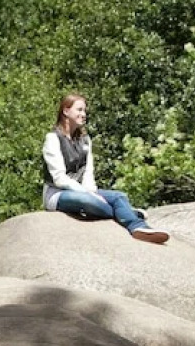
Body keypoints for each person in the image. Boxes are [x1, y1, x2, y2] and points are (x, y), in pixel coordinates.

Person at [41, 94, 169, 244]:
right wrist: (89, 194)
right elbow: (59, 178)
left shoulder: (85, 140)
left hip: (84, 190)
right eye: (79, 110)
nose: (84, 114)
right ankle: (126, 213)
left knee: (119, 196)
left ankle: (138, 227)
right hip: (57, 193)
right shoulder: (53, 138)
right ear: (66, 111)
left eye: (85, 111)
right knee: (88, 200)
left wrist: (92, 191)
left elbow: (88, 172)